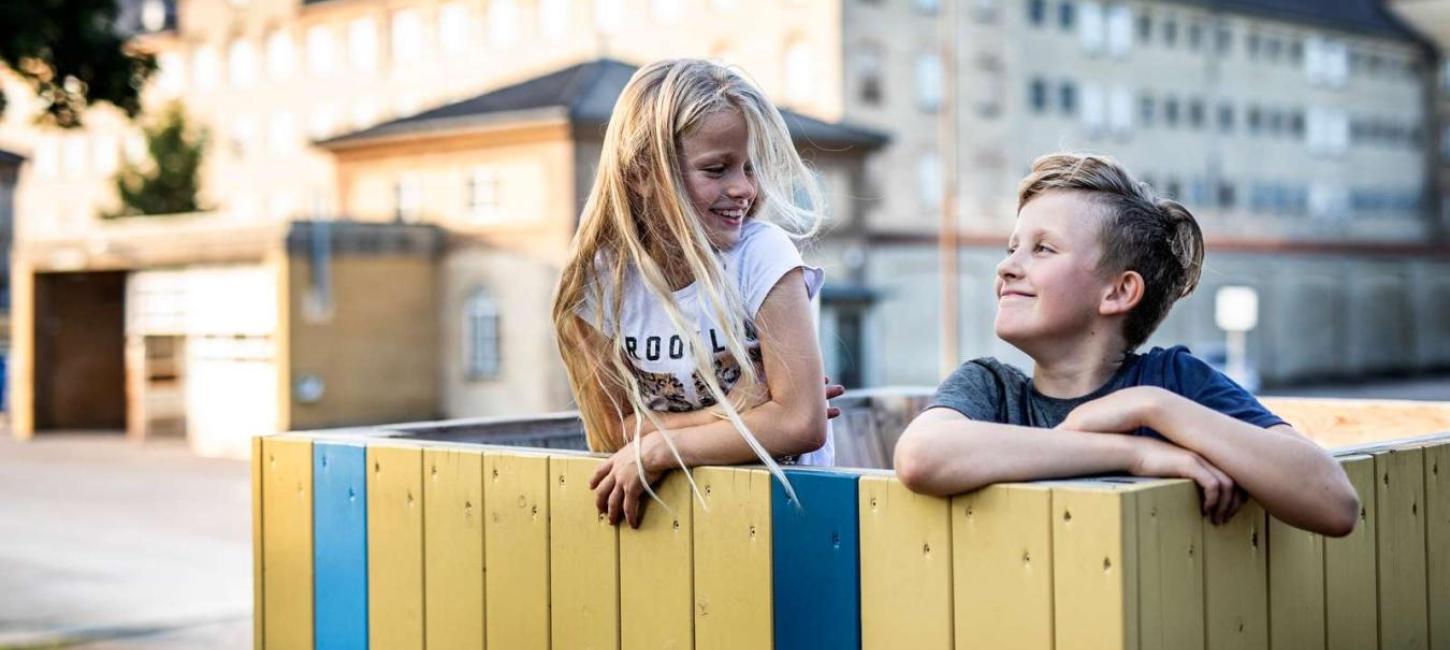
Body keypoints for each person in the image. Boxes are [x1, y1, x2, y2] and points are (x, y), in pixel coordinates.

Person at [893, 153, 1360, 537]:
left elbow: (1334, 504)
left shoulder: (1172, 384)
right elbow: (921, 457)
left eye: (1043, 249)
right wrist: (1134, 453)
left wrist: (1150, 407)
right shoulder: (990, 388)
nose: (1007, 267)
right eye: (1011, 247)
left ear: (1118, 292)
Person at [551, 59, 840, 529]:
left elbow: (801, 425)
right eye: (716, 169)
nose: (743, 188)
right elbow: (610, 431)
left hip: (786, 519)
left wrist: (660, 445)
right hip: (665, 522)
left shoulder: (762, 255)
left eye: (748, 167)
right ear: (642, 172)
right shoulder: (599, 283)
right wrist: (736, 412)